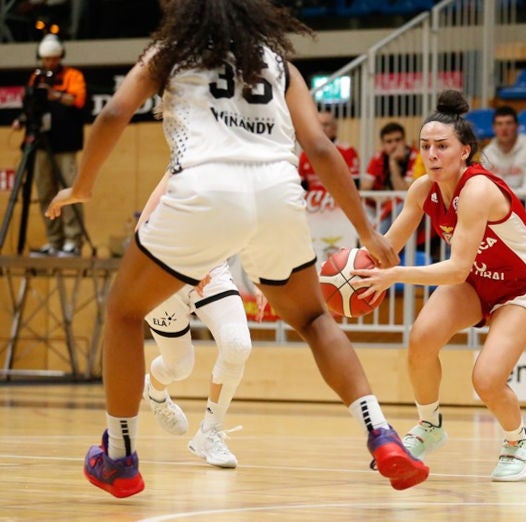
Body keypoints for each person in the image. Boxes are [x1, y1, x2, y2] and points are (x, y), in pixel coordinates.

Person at [45, 0, 427, 498]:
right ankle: (381, 433)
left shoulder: (170, 51)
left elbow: (116, 111)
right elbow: (320, 149)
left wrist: (83, 186)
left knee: (122, 311)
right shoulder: (278, 62)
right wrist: (369, 232)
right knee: (314, 320)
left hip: (204, 189)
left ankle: (119, 455)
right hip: (277, 190)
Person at [353, 90, 526, 482]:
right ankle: (430, 425)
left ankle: (519, 442)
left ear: (465, 151)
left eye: (442, 147)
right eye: (425, 146)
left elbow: (457, 268)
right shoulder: (422, 188)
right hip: (477, 281)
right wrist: (348, 269)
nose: (432, 155)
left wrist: (395, 275)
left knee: (486, 379)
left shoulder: (478, 190)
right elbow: (388, 248)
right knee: (421, 338)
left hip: (521, 286)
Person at [136, 172, 251, 469]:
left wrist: (265, 277)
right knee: (179, 366)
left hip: (211, 269)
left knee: (237, 345)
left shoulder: (250, 169)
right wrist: (185, 265)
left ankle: (210, 432)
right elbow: (143, 231)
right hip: (162, 271)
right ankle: (155, 391)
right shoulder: (183, 166)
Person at [11, 33, 86, 257]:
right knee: (45, 193)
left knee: (69, 192)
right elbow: (32, 103)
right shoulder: (36, 77)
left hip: (65, 144)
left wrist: (55, 95)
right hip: (42, 145)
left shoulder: (73, 76)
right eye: (45, 59)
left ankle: (73, 242)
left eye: (53, 58)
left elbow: (78, 100)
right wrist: (22, 119)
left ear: (60, 56)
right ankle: (54, 242)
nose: (49, 63)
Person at [480, 105, 526, 192]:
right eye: (499, 124)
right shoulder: (488, 152)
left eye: (509, 123)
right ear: (493, 128)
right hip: (501, 202)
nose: (504, 128)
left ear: (517, 126)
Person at [298, 110, 360, 191]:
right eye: (318, 125)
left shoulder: (347, 151)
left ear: (335, 128)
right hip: (312, 201)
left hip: (338, 201)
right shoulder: (306, 153)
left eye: (326, 124)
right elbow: (302, 185)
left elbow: (355, 183)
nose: (322, 128)